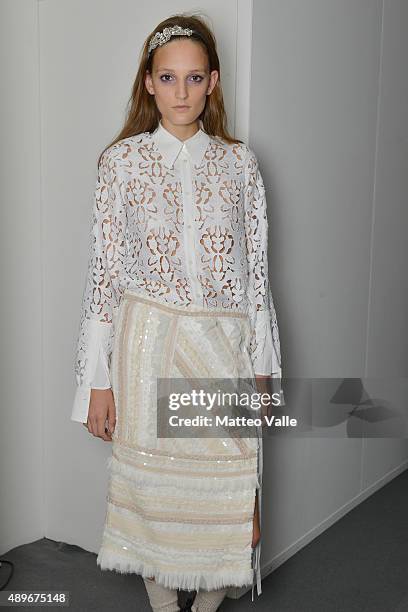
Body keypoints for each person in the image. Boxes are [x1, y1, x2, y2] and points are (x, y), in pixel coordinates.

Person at [71, 13, 282, 612]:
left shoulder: (240, 166)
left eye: (194, 79)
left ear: (213, 82)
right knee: (154, 503)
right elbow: (102, 281)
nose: (181, 93)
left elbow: (258, 281)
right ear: (148, 82)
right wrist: (97, 382)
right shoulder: (121, 164)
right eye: (168, 78)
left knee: (228, 502)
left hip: (223, 349)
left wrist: (264, 369)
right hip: (145, 351)